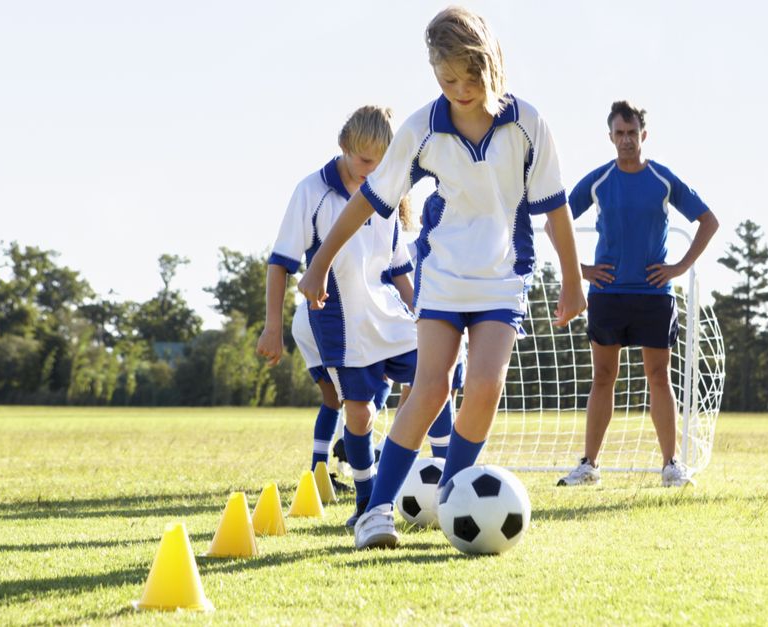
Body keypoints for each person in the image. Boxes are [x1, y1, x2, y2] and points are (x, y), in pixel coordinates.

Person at [298, 7, 585, 550]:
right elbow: (370, 200)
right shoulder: (422, 128)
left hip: (503, 276)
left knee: (485, 386)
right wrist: (318, 264)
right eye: (446, 78)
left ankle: (455, 497)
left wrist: (573, 282)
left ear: (491, 65)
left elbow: (555, 207)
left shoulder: (528, 123)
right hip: (445, 274)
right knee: (431, 388)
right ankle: (375, 513)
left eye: (470, 77)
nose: (460, 89)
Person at [257, 105, 458, 527]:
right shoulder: (310, 192)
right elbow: (280, 263)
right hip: (340, 323)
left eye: (381, 162)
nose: (373, 170)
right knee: (361, 414)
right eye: (366, 160)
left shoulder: (385, 191)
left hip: (389, 315)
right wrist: (273, 327)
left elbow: (399, 267)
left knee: (433, 379)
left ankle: (452, 484)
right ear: (345, 148)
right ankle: (367, 502)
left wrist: (421, 314)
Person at [556, 101, 719, 488]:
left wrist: (679, 267)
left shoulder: (662, 179)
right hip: (606, 296)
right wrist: (580, 272)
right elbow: (555, 221)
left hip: (653, 296)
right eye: (619, 133)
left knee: (659, 377)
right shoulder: (598, 180)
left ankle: (671, 465)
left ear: (643, 135)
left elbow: (708, 221)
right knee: (603, 378)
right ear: (610, 136)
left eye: (632, 133)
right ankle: (589, 465)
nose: (626, 140)